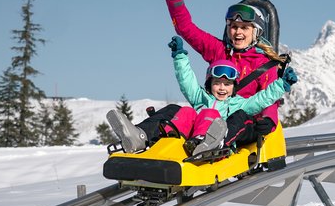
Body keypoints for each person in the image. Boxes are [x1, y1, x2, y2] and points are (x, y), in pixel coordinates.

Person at [107, 36, 298, 156]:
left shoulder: (239, 104)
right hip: (187, 141)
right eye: (217, 83)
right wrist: (180, 56)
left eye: (227, 84)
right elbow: (186, 81)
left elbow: (262, 99)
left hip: (219, 146)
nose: (221, 88)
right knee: (181, 110)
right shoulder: (201, 99)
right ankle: (139, 135)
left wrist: (282, 84)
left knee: (237, 117)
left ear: (233, 87)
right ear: (209, 85)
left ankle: (211, 142)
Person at [165, 0, 289, 148]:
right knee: (175, 111)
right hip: (210, 118)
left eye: (244, 27)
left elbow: (269, 99)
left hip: (242, 125)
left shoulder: (264, 64)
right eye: (233, 26)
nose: (237, 32)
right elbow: (186, 29)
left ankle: (216, 143)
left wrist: (268, 119)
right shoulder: (219, 50)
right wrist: (175, 0)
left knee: (237, 118)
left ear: (256, 32)